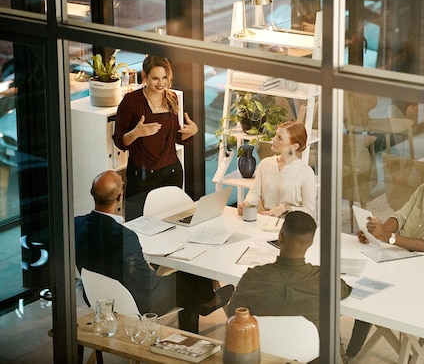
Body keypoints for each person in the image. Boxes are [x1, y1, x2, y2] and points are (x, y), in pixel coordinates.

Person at [344, 148, 424, 360]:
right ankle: (347, 352)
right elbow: (401, 216)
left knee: (367, 289)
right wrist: (377, 231)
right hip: (399, 261)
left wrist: (388, 238)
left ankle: (348, 354)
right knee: (357, 280)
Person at [75, 171, 233, 333]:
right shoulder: (125, 237)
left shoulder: (76, 224)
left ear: (92, 194)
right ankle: (194, 329)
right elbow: (147, 285)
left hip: (95, 296)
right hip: (133, 302)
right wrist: (154, 271)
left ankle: (205, 301)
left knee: (180, 278)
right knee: (188, 277)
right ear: (120, 197)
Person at [226, 211, 351, 328]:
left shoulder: (253, 277)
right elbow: (344, 290)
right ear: (311, 242)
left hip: (262, 347)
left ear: (280, 238)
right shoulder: (325, 279)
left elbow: (233, 315)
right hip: (310, 349)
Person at [112, 55, 198, 220]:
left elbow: (176, 137)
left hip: (172, 172)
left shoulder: (171, 98)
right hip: (142, 177)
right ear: (144, 77)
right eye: (155, 78)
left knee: (174, 222)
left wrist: (192, 131)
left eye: (164, 77)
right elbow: (120, 142)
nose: (161, 83)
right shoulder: (131, 101)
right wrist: (136, 133)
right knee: (137, 225)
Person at [239, 121, 317, 218]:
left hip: (290, 227)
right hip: (265, 222)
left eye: (280, 138)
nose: (274, 139)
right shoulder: (265, 164)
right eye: (276, 135)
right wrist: (247, 203)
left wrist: (285, 208)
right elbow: (255, 192)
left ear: (294, 146)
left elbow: (309, 210)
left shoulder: (306, 173)